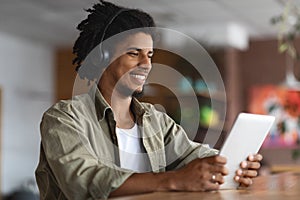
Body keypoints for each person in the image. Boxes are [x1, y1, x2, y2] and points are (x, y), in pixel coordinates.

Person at [35, 1, 263, 199]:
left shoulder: (156, 121)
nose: (146, 63)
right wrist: (171, 180)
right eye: (134, 53)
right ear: (103, 56)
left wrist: (228, 166)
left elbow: (193, 154)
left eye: (150, 55)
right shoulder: (64, 118)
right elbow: (83, 180)